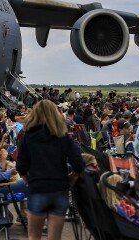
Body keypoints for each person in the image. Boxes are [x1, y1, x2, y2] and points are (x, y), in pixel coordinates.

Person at [16, 100, 84, 240]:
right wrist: (73, 177)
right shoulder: (63, 137)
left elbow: (21, 166)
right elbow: (78, 163)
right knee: (55, 237)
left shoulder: (28, 137)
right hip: (59, 189)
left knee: (34, 236)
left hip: (38, 188)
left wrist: (28, 181)